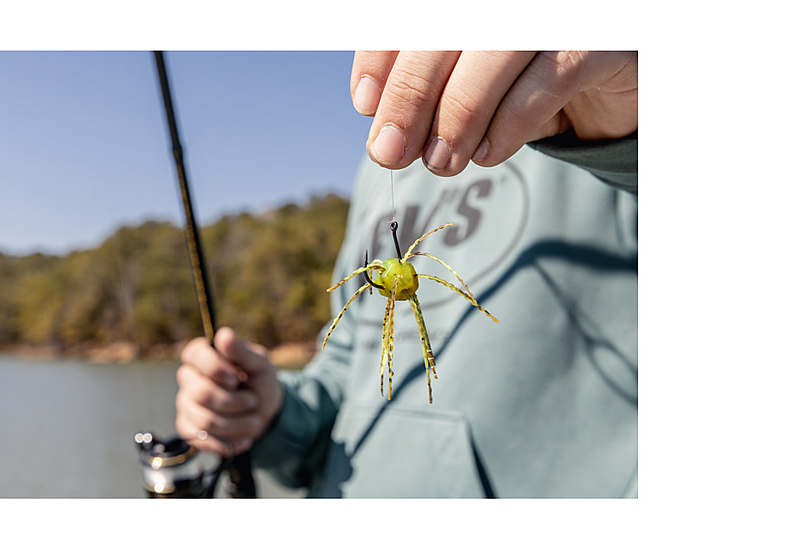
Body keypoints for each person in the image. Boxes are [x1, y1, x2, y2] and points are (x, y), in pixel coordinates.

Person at [175, 51, 638, 497]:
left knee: (411, 317)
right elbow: (343, 371)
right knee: (391, 335)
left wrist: (627, 137)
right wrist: (273, 415)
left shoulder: (618, 86)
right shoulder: (385, 155)